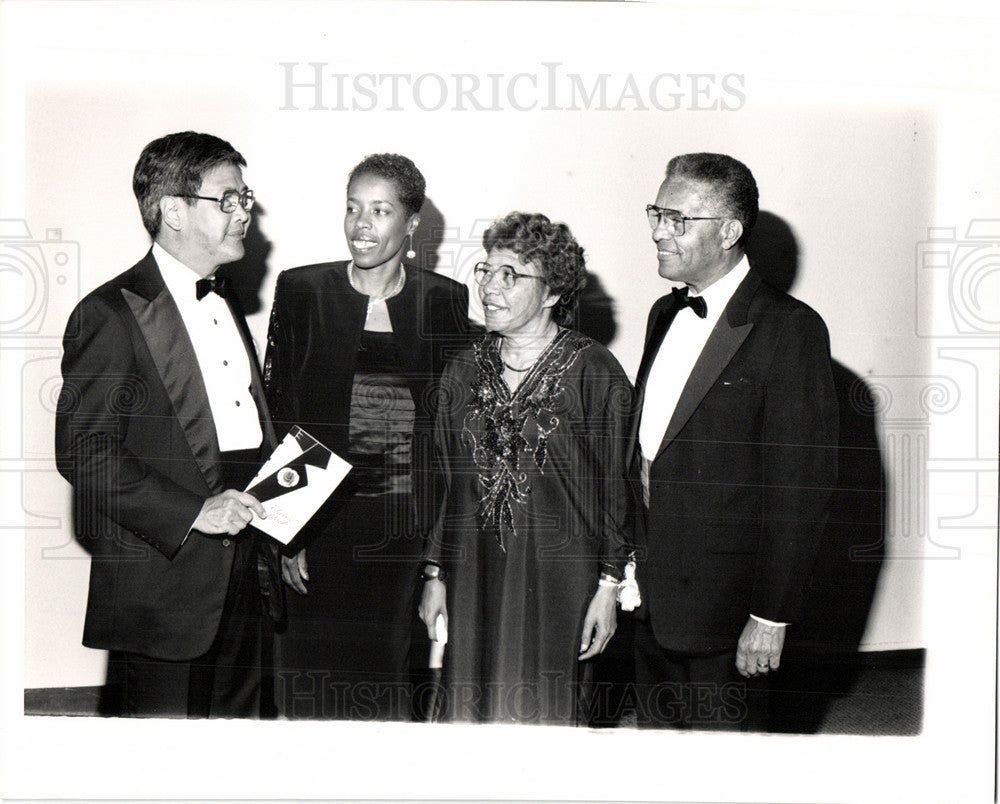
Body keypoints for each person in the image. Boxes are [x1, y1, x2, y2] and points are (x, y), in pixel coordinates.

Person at [54, 131, 279, 718]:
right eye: (227, 200)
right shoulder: (107, 313)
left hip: (247, 575)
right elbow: (84, 451)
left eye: (244, 197)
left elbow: (242, 432)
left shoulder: (225, 301)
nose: (243, 213)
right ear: (174, 210)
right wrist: (193, 513)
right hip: (164, 588)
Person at [630, 153, 838, 730]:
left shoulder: (791, 328)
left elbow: (800, 488)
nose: (656, 231)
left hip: (726, 612)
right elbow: (650, 453)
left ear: (728, 232)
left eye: (675, 219)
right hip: (650, 599)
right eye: (655, 213)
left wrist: (770, 615)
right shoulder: (662, 313)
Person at [263, 153, 471, 720]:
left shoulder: (444, 300)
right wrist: (285, 529)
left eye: (380, 211)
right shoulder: (303, 289)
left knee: (383, 680)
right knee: (308, 675)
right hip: (318, 519)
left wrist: (438, 558)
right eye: (353, 207)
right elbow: (280, 412)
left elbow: (449, 433)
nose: (361, 224)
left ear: (411, 223)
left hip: (402, 526)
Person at [418, 212, 634, 725]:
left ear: (553, 292)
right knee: (468, 705)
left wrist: (610, 587)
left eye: (510, 275)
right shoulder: (462, 370)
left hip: (562, 575)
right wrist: (435, 572)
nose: (490, 288)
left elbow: (616, 489)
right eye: (485, 271)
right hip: (473, 571)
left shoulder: (594, 370)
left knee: (548, 712)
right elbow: (447, 486)